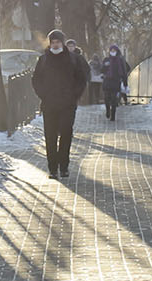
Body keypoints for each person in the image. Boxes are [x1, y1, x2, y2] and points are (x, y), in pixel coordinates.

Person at [32, 29, 89, 178]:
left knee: (65, 134)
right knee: (50, 136)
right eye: (53, 42)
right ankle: (52, 168)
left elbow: (81, 79)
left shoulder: (72, 59)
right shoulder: (43, 60)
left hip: (67, 104)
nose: (55, 45)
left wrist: (74, 95)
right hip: (49, 104)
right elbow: (36, 80)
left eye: (58, 42)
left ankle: (64, 166)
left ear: (62, 43)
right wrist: (43, 95)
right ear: (50, 43)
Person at [100, 44, 131, 121]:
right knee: (106, 98)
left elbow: (125, 70)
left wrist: (125, 83)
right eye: (111, 51)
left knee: (114, 99)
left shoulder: (120, 60)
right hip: (107, 81)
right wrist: (105, 66)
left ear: (117, 51)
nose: (112, 52)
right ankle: (108, 110)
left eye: (114, 51)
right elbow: (101, 70)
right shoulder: (106, 59)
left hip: (116, 81)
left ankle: (113, 115)